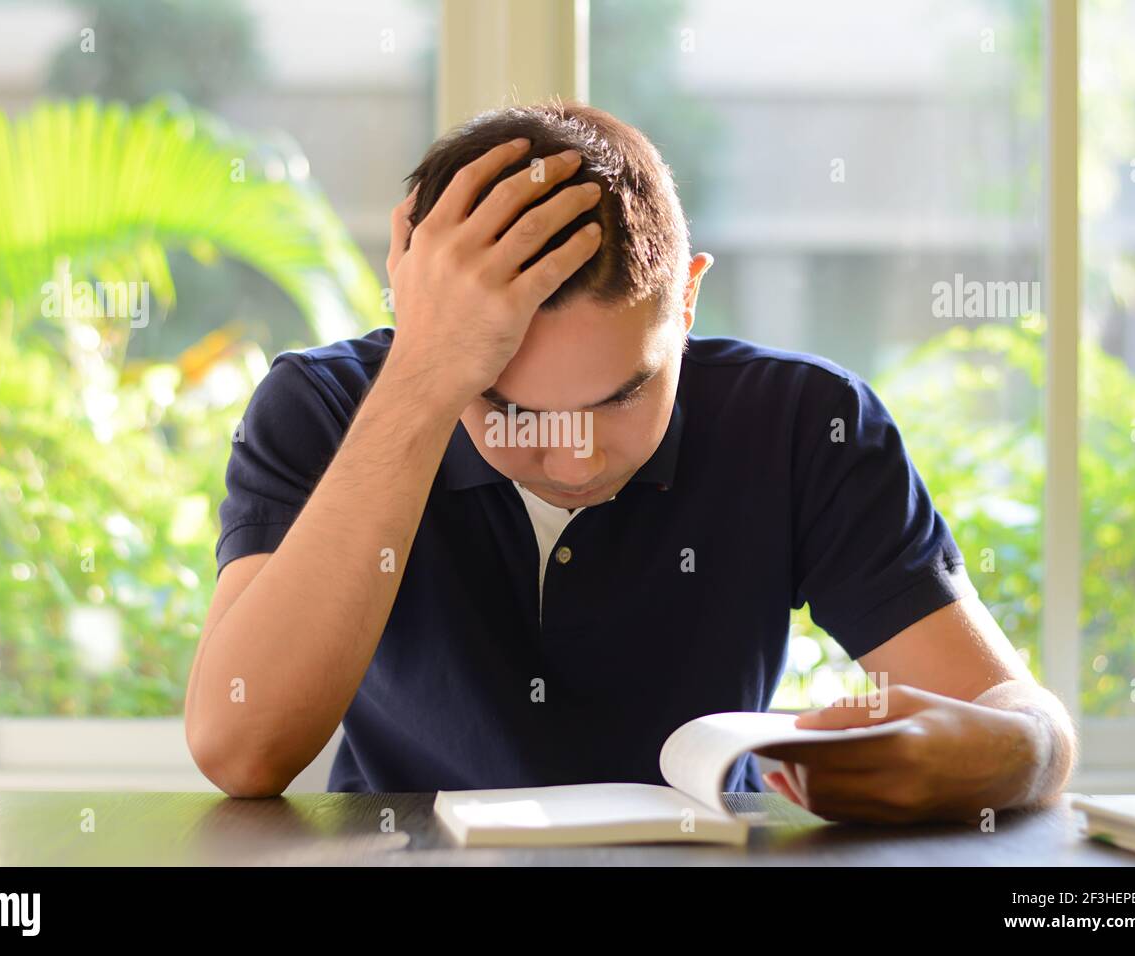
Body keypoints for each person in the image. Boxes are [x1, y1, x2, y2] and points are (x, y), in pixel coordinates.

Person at [184, 101, 1075, 823]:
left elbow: (1024, 718)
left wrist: (983, 756)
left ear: (686, 299)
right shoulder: (326, 410)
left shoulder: (805, 423)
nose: (571, 461)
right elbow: (239, 748)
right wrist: (422, 385)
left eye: (621, 397)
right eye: (510, 407)